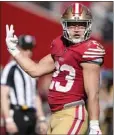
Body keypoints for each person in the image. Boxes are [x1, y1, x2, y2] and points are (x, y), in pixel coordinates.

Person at [5, 3, 105, 135]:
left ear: (88, 26)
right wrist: (13, 49)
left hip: (72, 114)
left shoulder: (89, 50)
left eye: (81, 24)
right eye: (71, 24)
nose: (76, 29)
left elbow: (93, 94)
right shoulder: (60, 45)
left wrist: (94, 124)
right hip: (55, 115)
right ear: (64, 25)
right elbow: (35, 70)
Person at [1, 35, 48, 135]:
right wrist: (8, 120)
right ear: (18, 48)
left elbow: (35, 96)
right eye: (25, 48)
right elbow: (3, 95)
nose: (28, 52)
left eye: (30, 49)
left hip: (32, 113)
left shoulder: (33, 70)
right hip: (17, 113)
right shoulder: (11, 68)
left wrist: (42, 118)